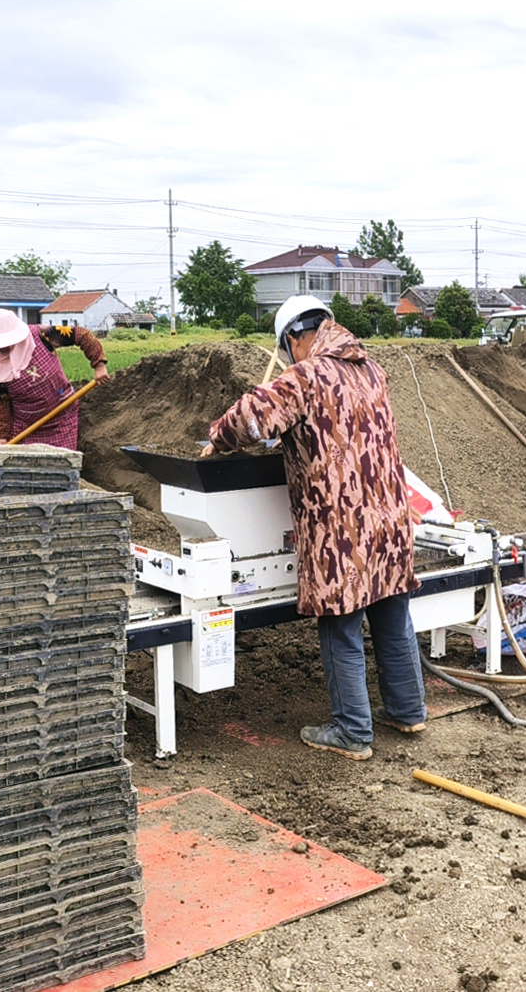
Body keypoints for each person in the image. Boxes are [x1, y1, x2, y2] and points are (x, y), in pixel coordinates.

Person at [200, 296, 427, 761]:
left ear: (294, 338)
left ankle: (352, 731)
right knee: (392, 615)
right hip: (389, 517)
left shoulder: (306, 376)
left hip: (341, 527)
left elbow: (252, 417)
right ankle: (408, 711)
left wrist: (217, 437)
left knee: (340, 624)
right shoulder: (372, 370)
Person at [0, 309, 110, 448]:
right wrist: (1, 436)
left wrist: (99, 364)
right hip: (26, 427)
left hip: (62, 415)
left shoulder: (42, 335)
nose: (2, 346)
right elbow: (0, 399)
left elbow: (81, 334)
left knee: (61, 460)